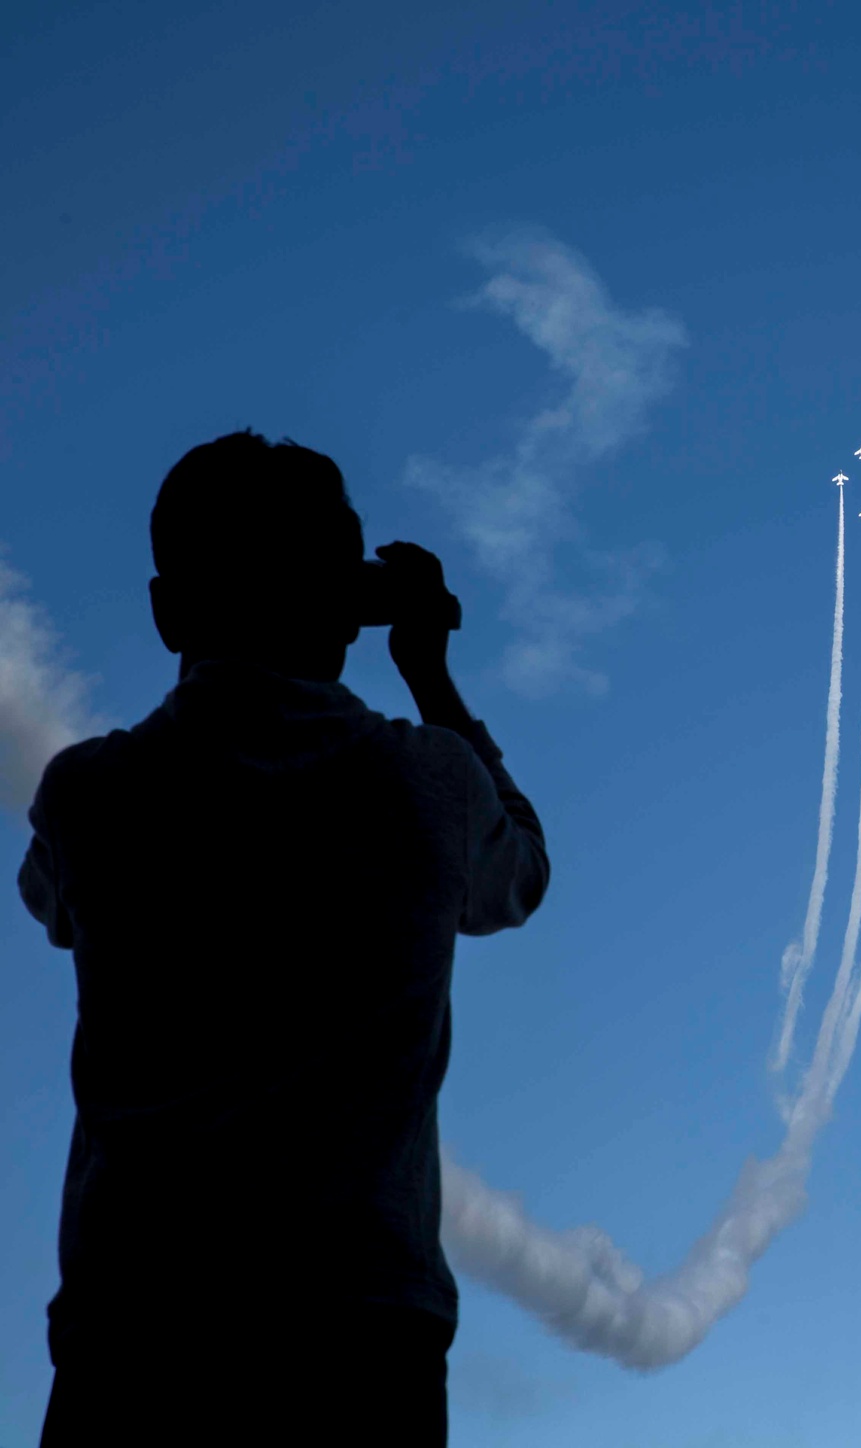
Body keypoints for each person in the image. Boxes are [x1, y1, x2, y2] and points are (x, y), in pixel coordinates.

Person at [21, 430, 551, 1446]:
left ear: (169, 608)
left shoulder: (88, 794)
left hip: (131, 1337)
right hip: (359, 1340)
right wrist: (430, 671)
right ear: (347, 607)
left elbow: (50, 902)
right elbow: (516, 874)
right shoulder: (430, 783)